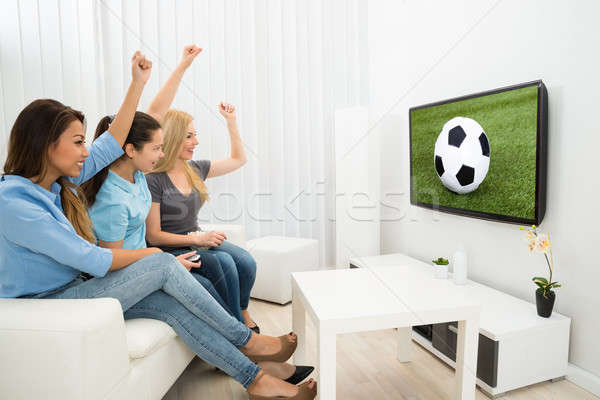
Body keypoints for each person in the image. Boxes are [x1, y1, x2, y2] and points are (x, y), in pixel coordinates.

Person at [0, 51, 316, 399]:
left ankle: (256, 380)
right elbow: (94, 260)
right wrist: (154, 253)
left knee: (171, 304)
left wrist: (137, 84)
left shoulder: (56, 183)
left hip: (75, 288)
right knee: (165, 264)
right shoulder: (15, 203)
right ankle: (248, 340)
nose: (86, 152)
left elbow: (112, 143)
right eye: (78, 142)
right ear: (47, 145)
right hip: (53, 300)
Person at [145, 77, 259, 333]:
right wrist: (198, 240)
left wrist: (231, 122)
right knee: (225, 263)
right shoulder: (153, 179)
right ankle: (237, 331)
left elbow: (238, 159)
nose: (195, 141)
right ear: (172, 137)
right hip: (168, 247)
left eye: (195, 135)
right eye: (188, 136)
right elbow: (152, 236)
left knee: (246, 262)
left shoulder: (196, 168)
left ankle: (241, 311)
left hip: (194, 237)